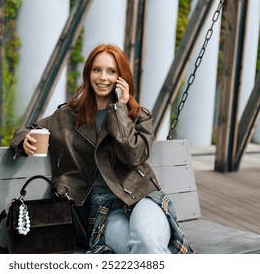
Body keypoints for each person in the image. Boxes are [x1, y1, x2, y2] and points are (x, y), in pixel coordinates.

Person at [10, 43, 194, 254]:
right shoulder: (68, 117)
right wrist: (24, 140)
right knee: (144, 250)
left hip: (141, 197)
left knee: (147, 241)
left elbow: (134, 155)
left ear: (121, 77)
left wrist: (119, 110)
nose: (103, 77)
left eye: (111, 71)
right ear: (88, 74)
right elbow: (27, 130)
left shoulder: (138, 116)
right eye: (97, 70)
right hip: (104, 212)